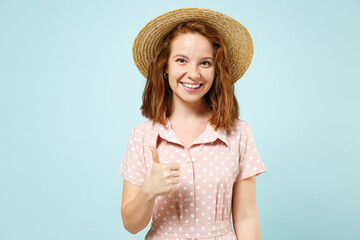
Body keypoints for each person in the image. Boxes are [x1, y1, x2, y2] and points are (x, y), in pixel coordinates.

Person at [118, 8, 267, 240]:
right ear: (164, 67)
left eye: (205, 63)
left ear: (217, 71)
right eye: (181, 61)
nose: (193, 73)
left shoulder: (240, 133)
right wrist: (149, 191)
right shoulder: (142, 136)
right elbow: (131, 225)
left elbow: (246, 217)